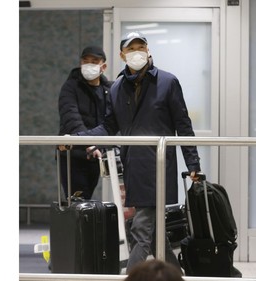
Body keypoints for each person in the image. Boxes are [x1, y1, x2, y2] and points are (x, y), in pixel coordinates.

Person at [74, 31, 201, 272]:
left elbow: (183, 126)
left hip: (159, 166)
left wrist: (193, 164)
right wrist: (79, 138)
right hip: (133, 165)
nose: (136, 53)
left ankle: (131, 278)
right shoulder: (117, 88)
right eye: (130, 49)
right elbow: (110, 127)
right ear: (122, 55)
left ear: (148, 50)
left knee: (141, 229)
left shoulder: (167, 82)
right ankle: (179, 275)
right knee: (153, 233)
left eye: (140, 47)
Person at [57, 45, 112, 199]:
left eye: (94, 61)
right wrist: (89, 143)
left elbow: (110, 122)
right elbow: (71, 118)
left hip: (94, 155)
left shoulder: (109, 90)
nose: (89, 65)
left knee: (86, 199)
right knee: (76, 200)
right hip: (72, 154)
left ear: (103, 66)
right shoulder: (71, 86)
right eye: (85, 61)